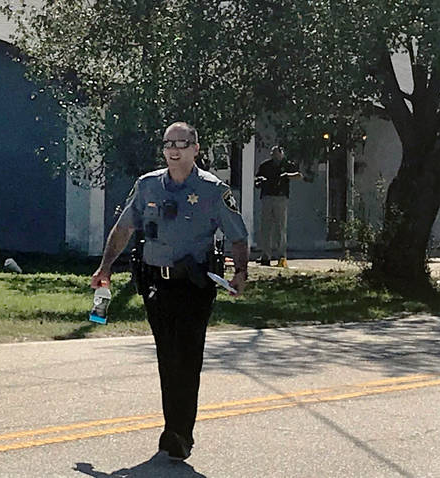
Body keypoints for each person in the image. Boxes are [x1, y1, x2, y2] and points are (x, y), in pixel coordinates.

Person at [90, 121, 249, 463]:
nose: (174, 149)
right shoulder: (147, 186)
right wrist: (104, 268)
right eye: (168, 143)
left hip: (194, 284)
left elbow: (237, 234)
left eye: (182, 143)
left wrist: (241, 272)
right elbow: (123, 229)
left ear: (196, 149)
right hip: (155, 283)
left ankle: (181, 434)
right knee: (167, 355)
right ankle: (172, 426)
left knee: (187, 356)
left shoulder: (212, 190)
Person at [254, 145, 302, 267]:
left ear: (282, 154)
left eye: (277, 154)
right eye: (273, 154)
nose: (275, 156)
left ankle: (281, 256)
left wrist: (287, 175)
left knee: (280, 228)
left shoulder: (287, 165)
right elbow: (257, 179)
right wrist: (260, 180)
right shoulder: (265, 165)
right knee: (266, 228)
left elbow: (299, 175)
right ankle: (266, 256)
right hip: (267, 197)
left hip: (281, 198)